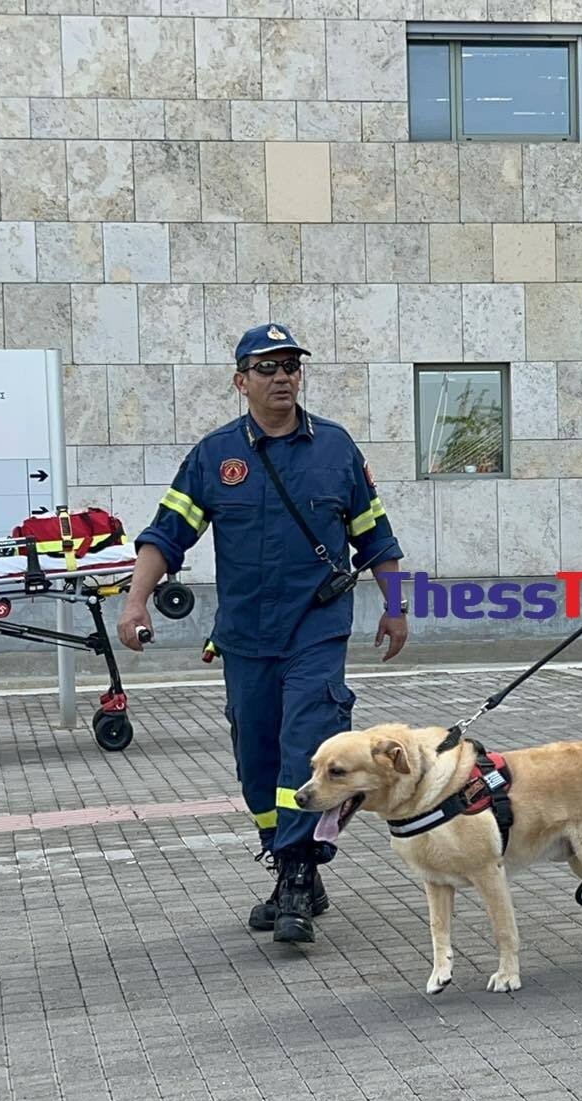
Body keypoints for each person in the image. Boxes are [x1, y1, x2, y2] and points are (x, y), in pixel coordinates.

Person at [117, 323, 408, 945]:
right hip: (246, 637)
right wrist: (135, 601)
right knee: (257, 764)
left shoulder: (335, 449)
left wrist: (396, 607)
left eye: (291, 367)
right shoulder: (214, 456)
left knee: (308, 739)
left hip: (316, 628)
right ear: (241, 380)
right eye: (267, 367)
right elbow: (168, 533)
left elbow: (376, 536)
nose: (282, 377)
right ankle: (285, 861)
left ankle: (299, 876)